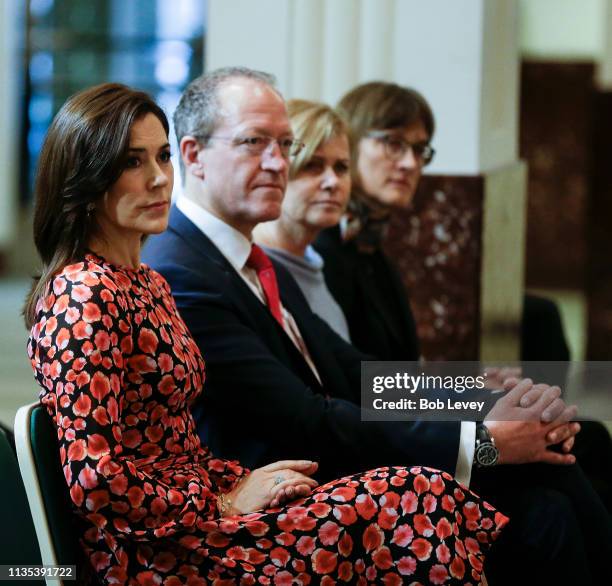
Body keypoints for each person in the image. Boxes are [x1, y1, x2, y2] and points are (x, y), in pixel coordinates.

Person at [25, 82, 511, 584]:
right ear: (86, 180)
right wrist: (222, 499)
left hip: (207, 515)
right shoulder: (85, 293)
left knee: (426, 493)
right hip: (154, 552)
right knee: (417, 504)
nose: (158, 179)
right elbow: (95, 480)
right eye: (131, 162)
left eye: (162, 156)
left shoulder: (147, 281)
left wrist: (482, 400)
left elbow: (181, 444)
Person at [143, 67, 610, 584]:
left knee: (553, 460)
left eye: (284, 143)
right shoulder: (180, 271)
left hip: (332, 465)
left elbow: (354, 370)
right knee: (545, 513)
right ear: (192, 155)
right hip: (283, 501)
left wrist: (477, 399)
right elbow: (307, 418)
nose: (278, 162)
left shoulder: (246, 257)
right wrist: (482, 440)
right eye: (255, 142)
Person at [312, 80, 612, 581]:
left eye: (419, 149)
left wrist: (480, 391)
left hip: (396, 413)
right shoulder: (325, 251)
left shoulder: (369, 248)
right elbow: (366, 388)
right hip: (380, 446)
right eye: (391, 143)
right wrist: (473, 400)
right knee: (557, 463)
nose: (409, 163)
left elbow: (390, 375)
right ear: (351, 139)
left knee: (582, 433)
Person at [253, 99, 352, 341]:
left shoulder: (317, 262)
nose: (333, 182)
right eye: (313, 166)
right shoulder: (252, 269)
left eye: (341, 168)